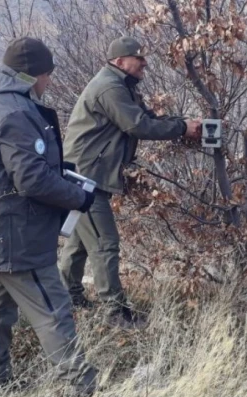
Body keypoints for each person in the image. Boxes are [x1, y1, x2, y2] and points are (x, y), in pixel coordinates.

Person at [0, 37, 98, 395]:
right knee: (53, 309)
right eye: (48, 75)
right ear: (33, 75)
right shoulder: (15, 112)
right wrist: (78, 197)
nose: (49, 83)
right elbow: (31, 179)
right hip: (16, 235)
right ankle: (82, 385)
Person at [58, 36, 202, 327]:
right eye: (139, 58)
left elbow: (146, 117)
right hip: (86, 179)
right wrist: (183, 128)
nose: (145, 63)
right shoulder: (110, 87)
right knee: (104, 243)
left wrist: (182, 123)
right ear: (120, 61)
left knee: (80, 243)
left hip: (83, 175)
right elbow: (138, 126)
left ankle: (67, 300)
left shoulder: (121, 85)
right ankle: (115, 313)